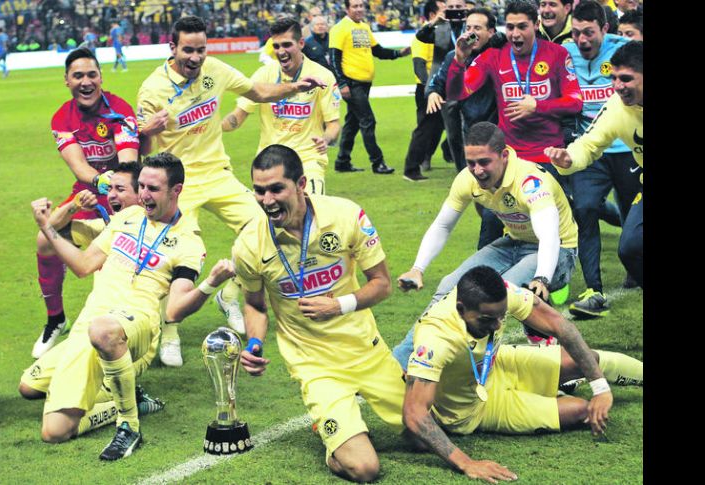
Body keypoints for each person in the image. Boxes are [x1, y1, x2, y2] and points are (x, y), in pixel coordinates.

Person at [136, 15, 327, 366]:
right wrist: (146, 131)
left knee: (265, 227)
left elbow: (258, 92)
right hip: (179, 184)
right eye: (188, 51)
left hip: (218, 173)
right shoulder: (152, 89)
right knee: (178, 254)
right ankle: (170, 330)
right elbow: (144, 154)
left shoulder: (216, 69)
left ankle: (230, 292)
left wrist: (296, 88)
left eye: (201, 50)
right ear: (172, 48)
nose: (195, 58)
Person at [21, 153, 237, 460]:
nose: (145, 195)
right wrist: (47, 224)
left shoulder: (189, 243)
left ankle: (129, 425)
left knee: (54, 432)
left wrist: (211, 284)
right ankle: (127, 395)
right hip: (88, 329)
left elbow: (175, 309)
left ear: (176, 191)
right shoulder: (126, 218)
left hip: (134, 327)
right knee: (28, 386)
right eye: (143, 187)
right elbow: (83, 266)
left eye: (153, 189)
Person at [235, 145, 407, 482]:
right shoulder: (249, 245)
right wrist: (254, 342)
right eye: (259, 190)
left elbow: (382, 284)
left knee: (426, 429)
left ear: (301, 184)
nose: (267, 200)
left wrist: (339, 305)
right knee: (365, 468)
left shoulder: (345, 215)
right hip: (314, 364)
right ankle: (334, 430)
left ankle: (343, 424)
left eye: (276, 189)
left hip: (364, 348)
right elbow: (255, 305)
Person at [402, 266, 643, 483]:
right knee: (582, 409)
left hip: (500, 363)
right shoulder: (435, 337)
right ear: (461, 309)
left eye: (501, 316)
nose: (498, 325)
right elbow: (414, 413)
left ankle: (569, 382)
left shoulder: (502, 294)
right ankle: (559, 389)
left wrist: (601, 387)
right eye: (487, 319)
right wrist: (467, 463)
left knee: (588, 359)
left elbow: (559, 324)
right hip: (473, 410)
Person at [393, 121, 578, 365]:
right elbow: (442, 225)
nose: (477, 170)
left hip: (559, 252)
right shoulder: (466, 179)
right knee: (450, 284)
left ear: (503, 156)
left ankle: (464, 361)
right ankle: (401, 361)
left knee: (498, 292)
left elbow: (549, 235)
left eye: (484, 162)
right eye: (471, 163)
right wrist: (418, 268)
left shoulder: (530, 182)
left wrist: (542, 277)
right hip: (513, 244)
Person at [446, 0, 582, 256]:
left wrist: (538, 105)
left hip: (548, 155)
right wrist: (459, 61)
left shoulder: (557, 54)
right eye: (510, 27)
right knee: (490, 220)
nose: (516, 34)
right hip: (510, 156)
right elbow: (458, 92)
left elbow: (575, 102)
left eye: (522, 26)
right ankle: (482, 281)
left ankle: (552, 275)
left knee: (551, 221)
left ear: (536, 25)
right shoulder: (493, 57)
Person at [34, 47, 140, 359]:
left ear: (101, 78)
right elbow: (79, 167)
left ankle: (149, 322)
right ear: (67, 81)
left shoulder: (120, 109)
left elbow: (128, 161)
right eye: (78, 76)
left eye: (91, 74)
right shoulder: (61, 118)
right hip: (86, 195)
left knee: (122, 260)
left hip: (127, 194)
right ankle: (56, 318)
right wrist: (97, 184)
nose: (85, 81)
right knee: (45, 240)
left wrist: (113, 189)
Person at [562, 1, 641, 318]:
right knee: (584, 208)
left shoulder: (626, 49)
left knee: (629, 226)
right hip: (591, 149)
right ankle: (593, 288)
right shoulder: (564, 55)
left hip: (628, 154)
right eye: (576, 32)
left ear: (604, 29)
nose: (582, 40)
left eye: (589, 33)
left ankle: (634, 271)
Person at [545, 40, 643, 288]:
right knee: (629, 249)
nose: (618, 86)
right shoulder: (615, 106)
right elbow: (589, 143)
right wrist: (568, 158)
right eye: (614, 78)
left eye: (626, 79)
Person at [32, 162, 142, 358]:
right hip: (101, 316)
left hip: (139, 315)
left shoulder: (157, 228)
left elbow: (83, 267)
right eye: (110, 189)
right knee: (29, 387)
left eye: (120, 189)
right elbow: (48, 230)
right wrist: (75, 205)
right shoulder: (108, 226)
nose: (111, 195)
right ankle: (56, 318)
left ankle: (169, 333)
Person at [222, 17, 341, 196]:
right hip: (269, 162)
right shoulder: (263, 75)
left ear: (301, 43)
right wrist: (212, 126)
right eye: (276, 46)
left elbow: (333, 124)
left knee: (314, 210)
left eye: (286, 45)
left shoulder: (322, 75)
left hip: (308, 159)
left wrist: (325, 139)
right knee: (268, 219)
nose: (281, 51)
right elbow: (237, 117)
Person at [329, 0, 411, 175]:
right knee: (368, 121)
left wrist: (398, 53)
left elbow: (378, 51)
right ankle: (377, 162)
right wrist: (341, 83)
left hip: (363, 83)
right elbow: (334, 59)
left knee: (353, 123)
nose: (359, 9)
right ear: (347, 8)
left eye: (361, 6)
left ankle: (342, 161)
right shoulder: (340, 28)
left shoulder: (364, 27)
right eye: (355, 6)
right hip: (352, 83)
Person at [423, 6, 501, 177]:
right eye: (469, 28)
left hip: (502, 129)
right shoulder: (455, 55)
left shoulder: (503, 51)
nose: (471, 33)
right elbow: (437, 82)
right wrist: (433, 93)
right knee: (480, 185)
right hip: (472, 130)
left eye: (477, 28)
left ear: (491, 32)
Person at [414, 0, 467, 172]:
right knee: (452, 134)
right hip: (446, 88)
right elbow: (420, 36)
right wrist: (434, 22)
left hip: (470, 87)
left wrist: (469, 36)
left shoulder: (472, 28)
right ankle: (461, 171)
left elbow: (479, 41)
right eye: (451, 8)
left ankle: (474, 167)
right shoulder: (440, 29)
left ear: (465, 8)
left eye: (459, 8)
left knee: (470, 130)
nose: (455, 11)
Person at [402, 0, 447, 182]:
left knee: (439, 126)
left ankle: (426, 159)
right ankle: (411, 168)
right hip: (428, 88)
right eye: (444, 10)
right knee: (426, 128)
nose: (448, 13)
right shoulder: (422, 35)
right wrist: (430, 89)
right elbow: (419, 65)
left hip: (442, 86)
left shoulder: (444, 32)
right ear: (432, 15)